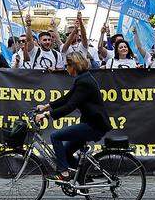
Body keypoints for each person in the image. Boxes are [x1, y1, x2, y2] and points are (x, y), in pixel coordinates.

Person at [35, 52, 112, 182]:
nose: (66, 68)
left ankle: (64, 173)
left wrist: (47, 115)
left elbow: (70, 106)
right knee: (65, 152)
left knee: (55, 136)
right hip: (90, 123)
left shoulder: (84, 82)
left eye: (67, 65)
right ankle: (83, 178)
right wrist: (46, 106)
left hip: (93, 126)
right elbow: (67, 97)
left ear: (74, 66)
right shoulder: (83, 78)